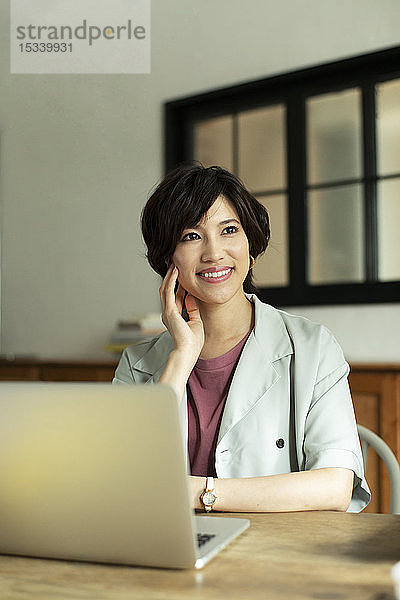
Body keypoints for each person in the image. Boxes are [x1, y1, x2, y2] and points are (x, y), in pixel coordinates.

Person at [113, 163, 371, 513]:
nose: (213, 252)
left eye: (229, 230)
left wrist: (199, 493)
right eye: (191, 236)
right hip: (167, 550)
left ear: (250, 246)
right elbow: (119, 481)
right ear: (167, 258)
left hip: (274, 552)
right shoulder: (137, 363)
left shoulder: (313, 346)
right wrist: (181, 358)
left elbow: (335, 486)